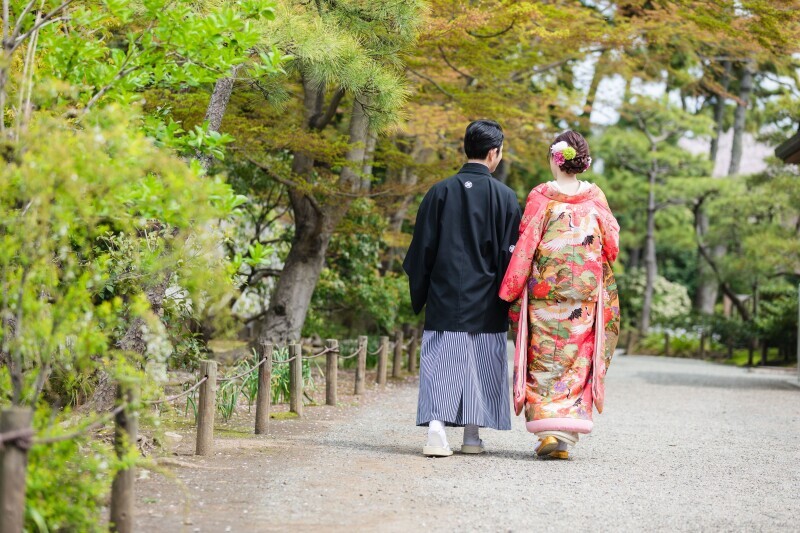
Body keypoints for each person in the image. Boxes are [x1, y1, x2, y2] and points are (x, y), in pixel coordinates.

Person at [499, 130, 621, 460]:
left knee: (542, 359)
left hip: (544, 295)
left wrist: (510, 287)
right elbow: (612, 246)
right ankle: (562, 436)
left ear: (555, 158)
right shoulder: (596, 198)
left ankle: (549, 431)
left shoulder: (541, 196)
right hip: (584, 297)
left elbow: (525, 244)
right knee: (577, 362)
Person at [403, 120, 522, 457]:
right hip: (487, 302)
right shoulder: (505, 197)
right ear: (493, 152)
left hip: (445, 298)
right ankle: (471, 437)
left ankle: (437, 432)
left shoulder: (439, 192)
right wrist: (508, 300)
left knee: (442, 364)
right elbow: (511, 257)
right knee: (481, 367)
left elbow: (421, 251)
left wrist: (423, 291)